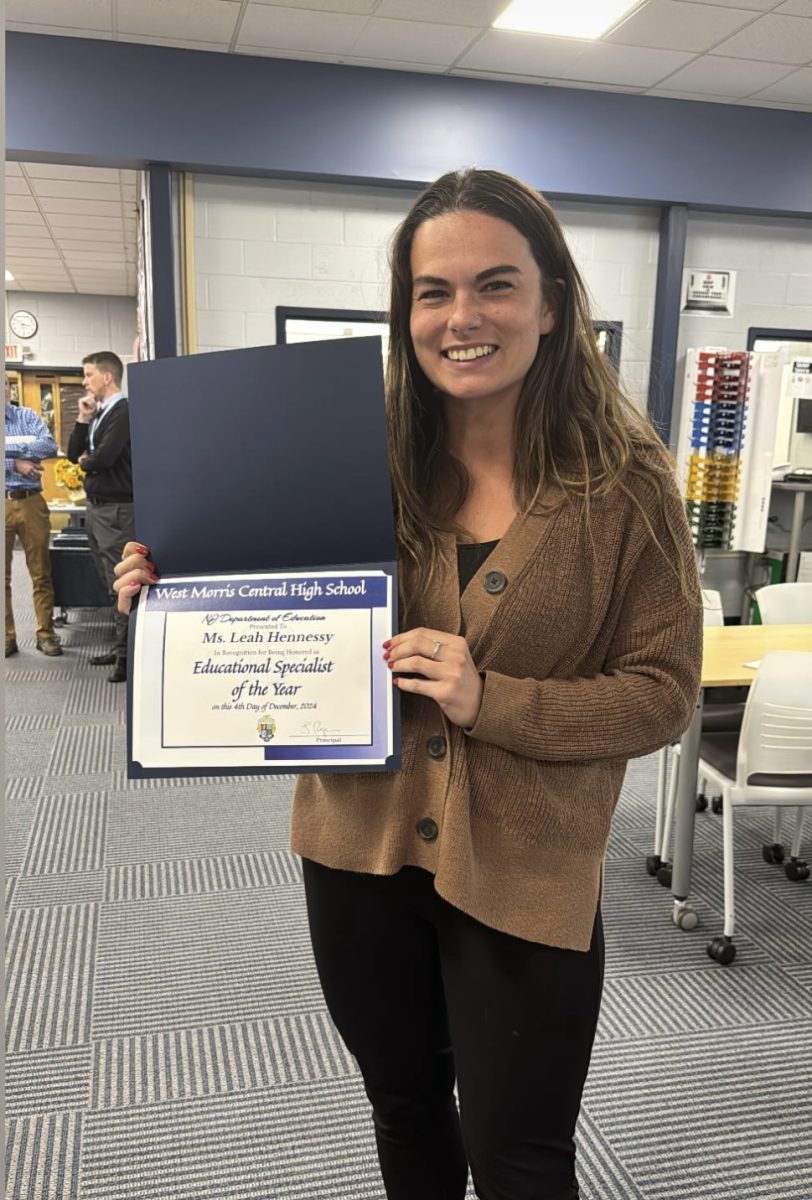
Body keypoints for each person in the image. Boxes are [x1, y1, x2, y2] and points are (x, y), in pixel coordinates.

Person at [114, 169, 703, 1200]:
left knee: (519, 1158)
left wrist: (493, 700)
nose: (461, 317)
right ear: (404, 310)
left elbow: (660, 694)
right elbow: (260, 598)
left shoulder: (626, 485)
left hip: (525, 869)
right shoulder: (352, 455)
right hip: (356, 851)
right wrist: (172, 595)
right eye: (432, 292)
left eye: (495, 285)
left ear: (551, 303)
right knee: (404, 1110)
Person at [68, 351, 134, 683]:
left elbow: (103, 458)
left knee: (121, 581)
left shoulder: (123, 410)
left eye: (88, 375)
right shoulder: (98, 413)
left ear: (106, 377)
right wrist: (82, 419)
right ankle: (120, 645)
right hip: (97, 508)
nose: (84, 381)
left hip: (117, 510)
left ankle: (126, 657)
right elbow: (71, 453)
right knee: (108, 581)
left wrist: (86, 461)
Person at [5, 378, 62, 658]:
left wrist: (20, 450)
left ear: (9, 388)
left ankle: (46, 633)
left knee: (41, 572)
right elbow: (27, 454)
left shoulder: (26, 416)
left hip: (30, 502)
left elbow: (49, 446)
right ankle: (7, 637)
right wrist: (14, 462)